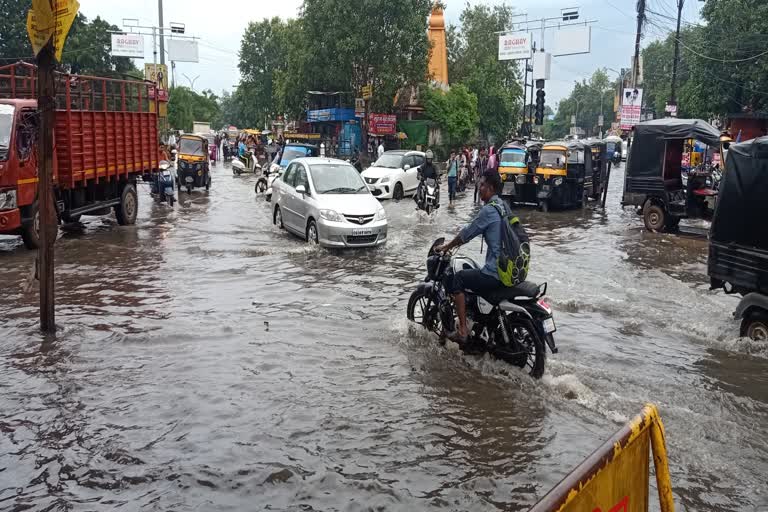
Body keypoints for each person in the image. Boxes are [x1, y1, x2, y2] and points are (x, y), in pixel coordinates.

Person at [435, 170, 507, 343]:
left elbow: (467, 234)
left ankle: (462, 330)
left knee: (458, 279)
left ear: (490, 188)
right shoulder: (503, 206)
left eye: (481, 185)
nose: (479, 188)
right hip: (508, 270)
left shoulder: (489, 210)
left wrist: (447, 246)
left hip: (494, 272)